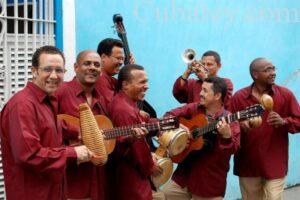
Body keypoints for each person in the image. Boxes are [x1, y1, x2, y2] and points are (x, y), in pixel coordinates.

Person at [0, 46, 92, 200]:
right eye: (47, 69)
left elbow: (50, 126)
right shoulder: (22, 105)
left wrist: (79, 132)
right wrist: (74, 153)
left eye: (59, 70)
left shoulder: (48, 100)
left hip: (54, 191)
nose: (54, 76)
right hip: (33, 193)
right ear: (34, 71)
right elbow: (29, 155)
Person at [229, 58, 300, 200]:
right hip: (248, 164)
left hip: (275, 162)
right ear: (255, 75)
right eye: (268, 70)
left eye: (274, 69)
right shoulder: (239, 97)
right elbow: (228, 123)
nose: (273, 73)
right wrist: (240, 125)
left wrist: (284, 121)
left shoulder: (285, 95)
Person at [163, 77, 240, 200]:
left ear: (217, 96)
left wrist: (226, 136)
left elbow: (233, 149)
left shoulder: (229, 119)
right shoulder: (194, 108)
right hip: (183, 177)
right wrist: (180, 126)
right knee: (161, 196)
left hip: (209, 182)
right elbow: (167, 116)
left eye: (204, 90)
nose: (200, 93)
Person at [55, 50, 107, 200]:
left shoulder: (101, 98)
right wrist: (76, 132)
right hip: (69, 181)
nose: (92, 67)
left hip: (95, 181)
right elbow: (45, 121)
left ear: (101, 71)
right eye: (87, 63)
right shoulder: (60, 91)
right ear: (76, 67)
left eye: (97, 65)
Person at [107, 64, 164, 200]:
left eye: (147, 81)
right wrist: (150, 165)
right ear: (125, 85)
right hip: (130, 178)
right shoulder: (124, 110)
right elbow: (136, 148)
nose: (147, 86)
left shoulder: (125, 103)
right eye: (142, 82)